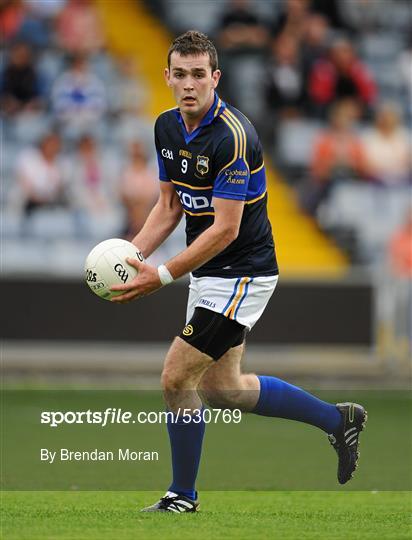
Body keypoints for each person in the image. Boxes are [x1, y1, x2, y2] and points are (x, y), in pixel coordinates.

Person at [111, 31, 367, 513]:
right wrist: (133, 256)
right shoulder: (166, 126)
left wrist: (161, 275)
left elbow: (225, 230)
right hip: (210, 273)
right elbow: (169, 205)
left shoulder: (233, 135)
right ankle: (338, 420)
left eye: (198, 75)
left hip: (242, 272)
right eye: (180, 75)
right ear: (167, 77)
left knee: (174, 378)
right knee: (223, 389)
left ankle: (181, 497)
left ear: (215, 78)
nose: (189, 84)